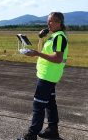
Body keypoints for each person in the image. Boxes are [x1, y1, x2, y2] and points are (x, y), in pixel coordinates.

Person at [17, 12, 69, 140]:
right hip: (48, 75)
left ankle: (31, 135)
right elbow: (43, 52)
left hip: (48, 76)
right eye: (48, 21)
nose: (48, 24)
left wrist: (37, 54)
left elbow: (57, 58)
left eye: (51, 21)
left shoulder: (59, 37)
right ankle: (52, 130)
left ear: (58, 23)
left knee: (38, 105)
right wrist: (41, 38)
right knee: (50, 103)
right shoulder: (54, 36)